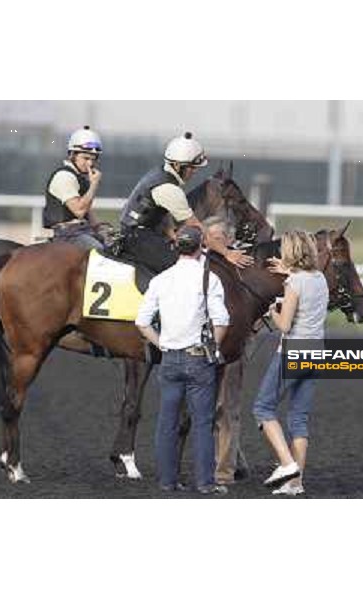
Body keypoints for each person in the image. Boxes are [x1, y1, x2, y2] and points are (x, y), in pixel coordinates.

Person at [135, 225, 229, 494]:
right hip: (199, 358)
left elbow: (141, 322)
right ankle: (205, 483)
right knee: (202, 423)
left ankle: (167, 481)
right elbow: (221, 321)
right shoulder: (208, 279)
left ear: (177, 247)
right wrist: (215, 348)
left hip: (170, 359)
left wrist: (161, 343)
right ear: (202, 247)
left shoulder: (161, 280)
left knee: (167, 422)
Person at [252, 230, 328, 496]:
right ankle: (296, 484)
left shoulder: (293, 284)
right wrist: (288, 271)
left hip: (293, 351)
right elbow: (304, 281)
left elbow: (284, 325)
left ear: (291, 252)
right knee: (299, 418)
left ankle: (287, 465)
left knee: (262, 408)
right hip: (317, 351)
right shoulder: (319, 279)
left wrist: (273, 309)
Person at [119, 132, 253, 273]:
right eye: (192, 167)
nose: (194, 171)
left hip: (139, 233)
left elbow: (162, 215)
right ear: (177, 166)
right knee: (182, 268)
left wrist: (172, 235)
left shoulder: (161, 173)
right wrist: (227, 253)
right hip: (138, 239)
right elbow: (198, 229)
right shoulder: (170, 189)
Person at [202, 216, 250, 485]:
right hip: (202, 348)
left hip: (230, 348)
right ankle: (227, 462)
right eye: (206, 237)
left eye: (216, 238)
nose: (209, 242)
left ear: (230, 240)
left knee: (226, 409)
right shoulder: (199, 264)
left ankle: (224, 472)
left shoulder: (242, 266)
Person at [43, 125, 105, 250]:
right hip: (68, 235)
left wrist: (101, 228)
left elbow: (87, 212)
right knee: (99, 253)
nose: (90, 164)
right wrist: (94, 185)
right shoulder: (64, 176)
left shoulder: (80, 177)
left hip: (82, 231)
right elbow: (80, 210)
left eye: (93, 160)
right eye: (86, 158)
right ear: (72, 155)